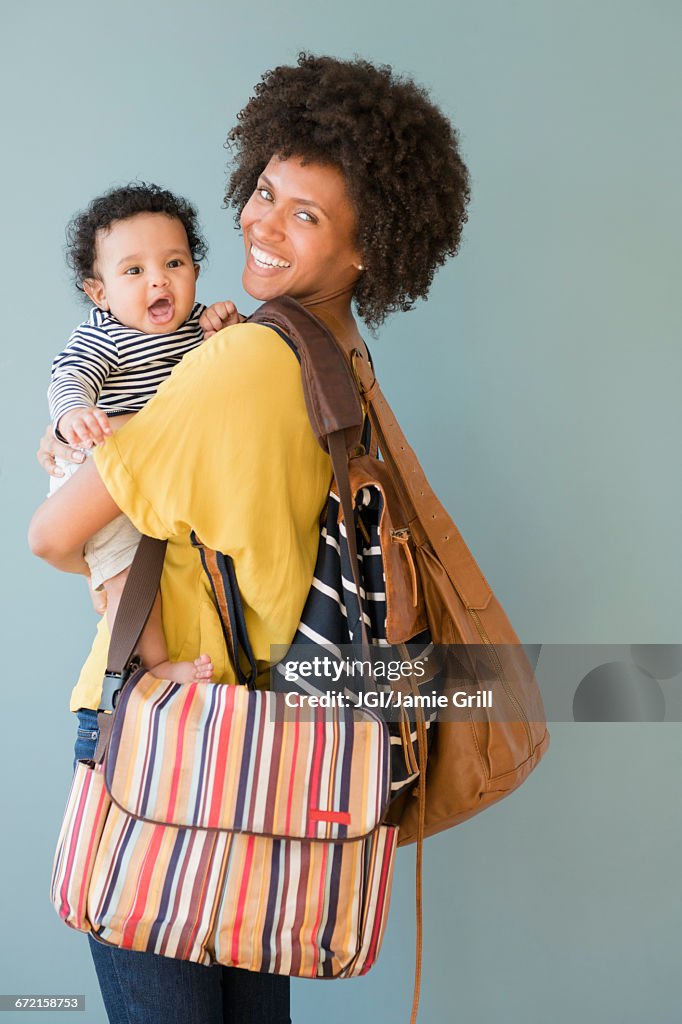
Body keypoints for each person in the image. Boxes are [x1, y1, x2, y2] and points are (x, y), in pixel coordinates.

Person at [29, 53, 471, 1024]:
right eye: (264, 191)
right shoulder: (339, 365)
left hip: (172, 731)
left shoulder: (236, 363)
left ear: (368, 249)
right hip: (272, 750)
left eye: (304, 214)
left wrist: (71, 462)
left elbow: (53, 532)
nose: (263, 224)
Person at [47, 182, 242, 685]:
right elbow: (71, 375)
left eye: (174, 264)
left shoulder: (198, 327)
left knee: (143, 568)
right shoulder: (105, 333)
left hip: (157, 472)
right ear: (100, 292)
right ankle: (155, 667)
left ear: (196, 272)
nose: (158, 282)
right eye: (134, 271)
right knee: (127, 575)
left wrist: (228, 324)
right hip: (103, 463)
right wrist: (72, 415)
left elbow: (224, 373)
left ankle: (108, 590)